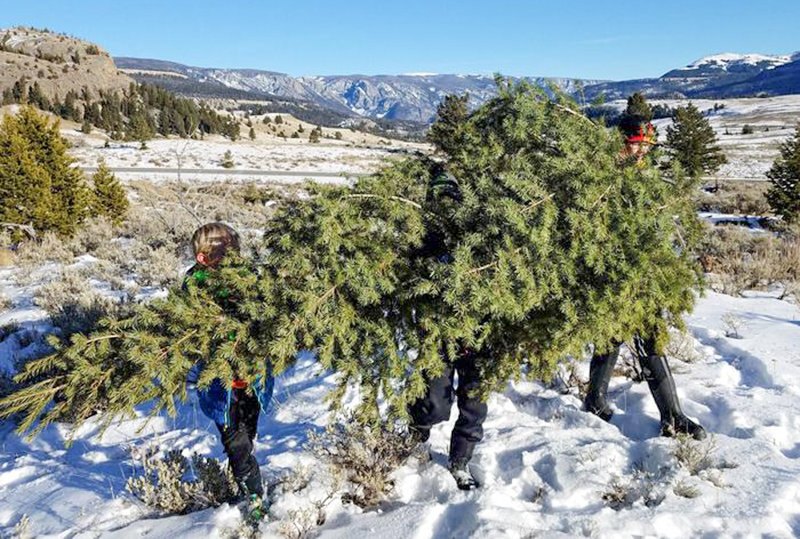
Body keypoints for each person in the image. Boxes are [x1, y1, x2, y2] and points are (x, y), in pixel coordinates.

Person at [583, 117, 706, 441]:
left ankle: (670, 415)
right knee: (613, 336)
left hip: (642, 272)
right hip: (612, 270)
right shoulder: (603, 177)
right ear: (620, 142)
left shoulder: (642, 176)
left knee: (647, 336)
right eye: (636, 143)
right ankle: (599, 400)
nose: (641, 151)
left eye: (645, 145)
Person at [185, 222, 275, 521]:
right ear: (204, 258)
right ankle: (254, 499)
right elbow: (188, 323)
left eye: (235, 247)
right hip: (220, 385)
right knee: (235, 443)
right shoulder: (195, 284)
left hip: (252, 378)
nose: (233, 255)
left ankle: (245, 478)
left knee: (247, 437)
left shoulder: (248, 279)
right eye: (224, 250)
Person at [408, 167, 488, 491]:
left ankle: (460, 461)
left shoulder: (476, 239)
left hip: (476, 333)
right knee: (435, 401)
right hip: (438, 335)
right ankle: (418, 432)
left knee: (475, 403)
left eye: (450, 200)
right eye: (438, 200)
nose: (445, 208)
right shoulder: (423, 242)